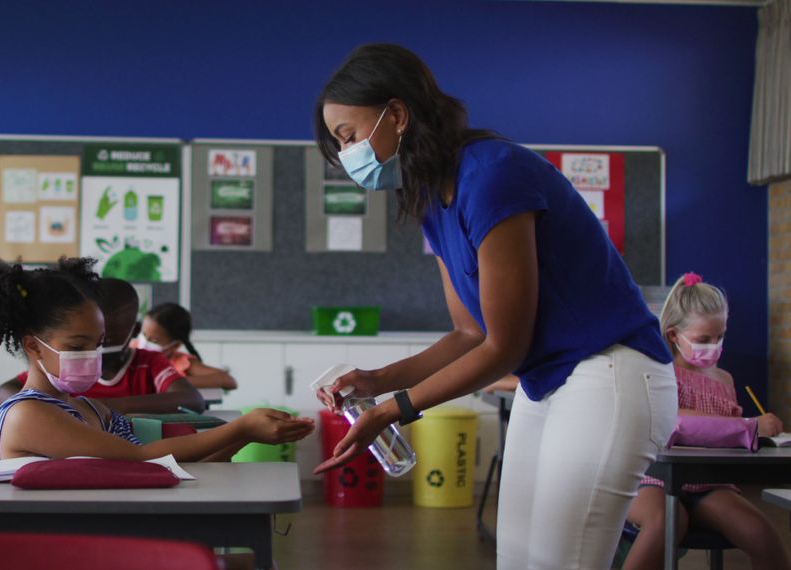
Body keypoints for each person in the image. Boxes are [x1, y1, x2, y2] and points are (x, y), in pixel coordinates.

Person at [311, 43, 676, 569]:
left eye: (348, 137)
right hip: (548, 379)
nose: (347, 156)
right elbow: (469, 334)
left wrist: (396, 409)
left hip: (610, 370)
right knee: (518, 559)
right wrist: (376, 381)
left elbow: (504, 346)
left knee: (560, 562)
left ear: (396, 114)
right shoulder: (431, 201)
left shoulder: (491, 172)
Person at [0, 258, 314, 463]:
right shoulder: (29, 414)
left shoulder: (91, 408)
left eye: (99, 343)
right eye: (76, 347)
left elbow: (167, 465)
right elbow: (143, 461)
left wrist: (244, 436)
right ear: (34, 345)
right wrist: (240, 427)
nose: (93, 357)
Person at [622, 273, 791, 570]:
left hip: (710, 484)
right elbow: (675, 423)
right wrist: (749, 426)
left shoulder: (724, 379)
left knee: (764, 537)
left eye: (720, 337)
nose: (714, 346)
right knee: (665, 523)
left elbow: (725, 441)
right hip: (653, 479)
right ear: (674, 335)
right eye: (704, 340)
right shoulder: (662, 372)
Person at [0, 278, 206, 414]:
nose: (94, 352)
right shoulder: (57, 371)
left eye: (102, 341)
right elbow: (1, 392)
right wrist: (52, 410)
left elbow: (192, 400)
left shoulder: (148, 363)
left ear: (134, 330)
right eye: (78, 345)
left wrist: (104, 406)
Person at [139, 303, 237, 390]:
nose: (144, 343)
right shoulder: (131, 352)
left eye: (154, 340)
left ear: (175, 345)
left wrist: (171, 381)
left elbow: (228, 380)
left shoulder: (182, 363)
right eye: (143, 335)